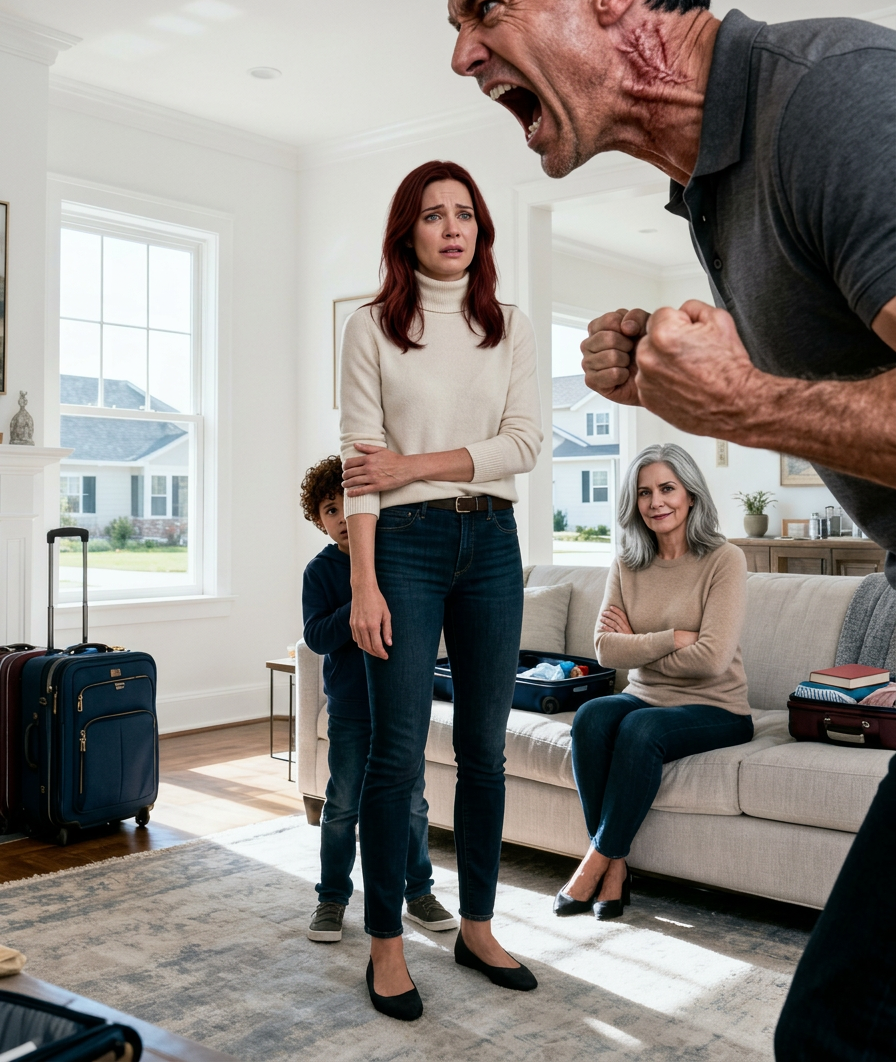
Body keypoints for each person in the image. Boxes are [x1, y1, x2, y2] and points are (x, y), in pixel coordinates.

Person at [422, 0, 895, 1056]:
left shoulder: (832, 98)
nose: (462, 58)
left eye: (484, 9)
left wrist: (742, 401)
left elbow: (768, 403)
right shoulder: (709, 191)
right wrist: (686, 370)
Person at [339, 160, 542, 1020]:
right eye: (434, 215)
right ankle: (386, 942)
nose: (453, 228)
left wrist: (414, 463)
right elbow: (359, 471)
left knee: (485, 753)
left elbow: (524, 445)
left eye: (466, 215)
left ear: (480, 232)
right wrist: (363, 582)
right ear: (407, 232)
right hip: (406, 551)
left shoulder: (511, 328)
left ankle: (478, 925)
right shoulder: (371, 328)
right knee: (395, 755)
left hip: (493, 541)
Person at [557, 444, 752, 920]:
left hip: (718, 707)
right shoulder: (628, 561)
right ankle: (617, 866)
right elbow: (605, 649)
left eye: (667, 488)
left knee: (640, 730)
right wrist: (674, 638)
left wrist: (640, 644)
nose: (656, 502)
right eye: (644, 492)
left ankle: (596, 862)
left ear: (689, 494)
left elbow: (711, 661)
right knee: (592, 717)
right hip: (643, 695)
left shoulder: (724, 559)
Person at [300, 456, 457, 945]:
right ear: (318, 519)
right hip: (350, 710)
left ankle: (419, 892)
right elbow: (318, 637)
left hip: (402, 708)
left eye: (351, 504)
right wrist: (359, 600)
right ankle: (331, 898)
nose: (344, 518)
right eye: (330, 510)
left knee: (412, 805)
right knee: (342, 806)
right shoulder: (321, 572)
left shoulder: (399, 561)